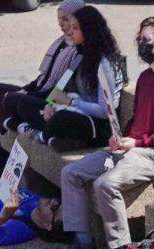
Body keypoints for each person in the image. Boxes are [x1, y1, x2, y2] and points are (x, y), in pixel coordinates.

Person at [61, 16, 154, 249]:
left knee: (105, 184)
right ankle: (84, 242)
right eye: (139, 38)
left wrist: (138, 142)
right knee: (71, 172)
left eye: (146, 39)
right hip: (128, 147)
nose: (141, 43)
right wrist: (120, 138)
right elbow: (138, 119)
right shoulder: (144, 78)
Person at [0, 0, 84, 174]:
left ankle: (1, 158)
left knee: (10, 103)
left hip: (48, 102)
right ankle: (10, 124)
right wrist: (26, 90)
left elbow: (61, 87)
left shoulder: (80, 50)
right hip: (37, 92)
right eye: (59, 19)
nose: (61, 24)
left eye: (66, 19)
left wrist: (34, 98)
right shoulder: (60, 42)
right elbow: (43, 78)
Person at [12, 6, 124, 152]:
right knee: (22, 102)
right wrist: (49, 105)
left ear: (89, 31)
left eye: (75, 28)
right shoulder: (80, 55)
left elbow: (105, 112)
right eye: (70, 27)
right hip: (72, 109)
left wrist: (71, 102)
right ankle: (60, 138)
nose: (70, 32)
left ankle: (41, 135)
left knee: (61, 118)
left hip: (97, 125)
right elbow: (60, 88)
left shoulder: (104, 64)